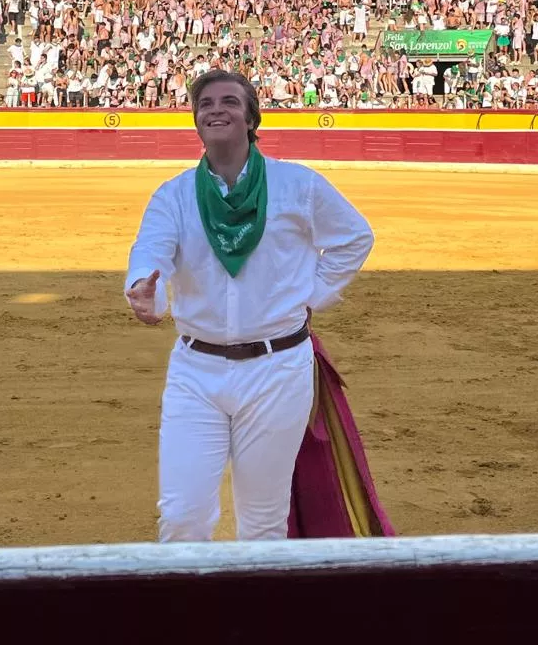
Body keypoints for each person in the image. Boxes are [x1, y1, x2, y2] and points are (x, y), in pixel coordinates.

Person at [125, 68, 374, 541]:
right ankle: (187, 613)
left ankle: (256, 615)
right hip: (196, 371)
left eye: (229, 102)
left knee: (263, 518)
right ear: (196, 121)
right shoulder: (175, 194)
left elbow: (354, 238)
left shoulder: (297, 184)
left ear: (251, 117)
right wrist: (146, 292)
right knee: (181, 515)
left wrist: (312, 297)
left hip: (278, 367)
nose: (216, 109)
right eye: (206, 104)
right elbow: (150, 252)